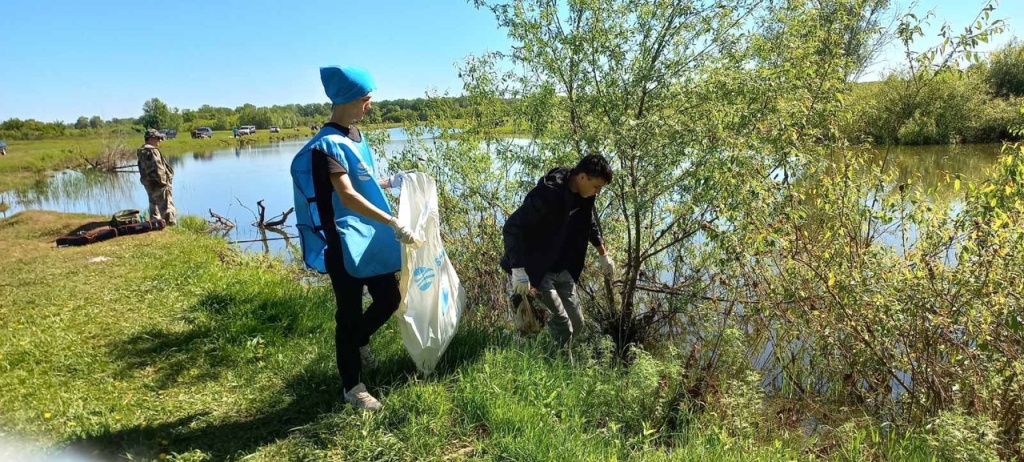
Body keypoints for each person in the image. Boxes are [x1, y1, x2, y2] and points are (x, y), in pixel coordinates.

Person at [290, 66, 415, 411]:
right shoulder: (324, 147)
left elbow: (364, 180)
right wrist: (392, 221)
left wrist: (391, 183)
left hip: (369, 240)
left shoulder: (355, 135)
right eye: (366, 99)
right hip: (342, 245)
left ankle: (361, 340)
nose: (369, 105)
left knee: (389, 298)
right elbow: (346, 195)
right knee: (348, 314)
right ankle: (352, 387)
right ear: (347, 99)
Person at [500, 155, 616, 357]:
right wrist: (518, 269)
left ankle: (541, 350)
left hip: (563, 267)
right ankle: (559, 369)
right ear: (582, 177)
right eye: (596, 186)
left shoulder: (586, 195)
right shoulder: (548, 193)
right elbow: (512, 227)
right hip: (538, 268)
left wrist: (602, 253)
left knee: (578, 323)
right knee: (563, 325)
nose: (598, 192)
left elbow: (588, 223)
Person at [136, 129, 176, 225]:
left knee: (153, 205)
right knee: (167, 205)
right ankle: (170, 224)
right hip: (159, 183)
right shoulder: (153, 151)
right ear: (150, 138)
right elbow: (158, 168)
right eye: (158, 138)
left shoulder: (142, 150)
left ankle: (155, 223)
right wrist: (164, 183)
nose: (160, 140)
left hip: (148, 183)